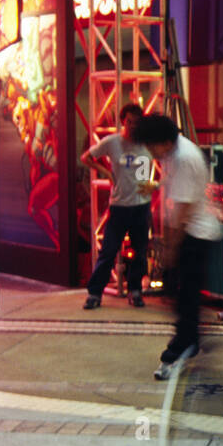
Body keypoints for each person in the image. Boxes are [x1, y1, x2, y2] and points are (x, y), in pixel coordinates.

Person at [132, 114, 222, 379]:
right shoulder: (175, 151)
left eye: (151, 146)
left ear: (162, 141)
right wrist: (157, 185)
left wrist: (170, 249)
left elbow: (182, 211)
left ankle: (185, 342)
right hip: (194, 231)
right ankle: (190, 338)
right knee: (183, 295)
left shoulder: (184, 158)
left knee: (184, 294)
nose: (150, 152)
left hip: (196, 234)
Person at [83, 104, 153, 309]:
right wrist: (104, 172)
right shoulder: (112, 143)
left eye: (136, 122)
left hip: (141, 206)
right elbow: (86, 157)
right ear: (123, 122)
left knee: (140, 251)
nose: (132, 126)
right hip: (120, 206)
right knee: (109, 250)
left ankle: (135, 290)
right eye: (129, 121)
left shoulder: (147, 144)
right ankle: (95, 293)